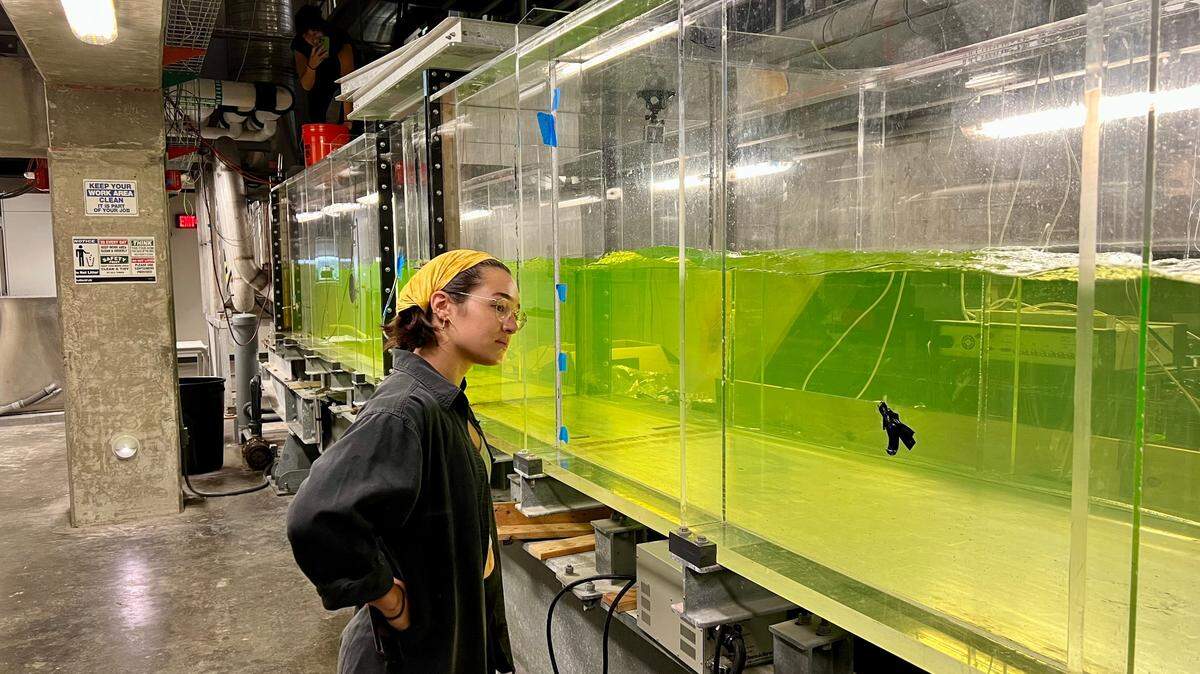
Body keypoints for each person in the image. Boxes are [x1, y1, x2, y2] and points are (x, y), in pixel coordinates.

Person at [287, 250, 523, 673]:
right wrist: (388, 599)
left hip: (445, 640)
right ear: (443, 308)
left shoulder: (445, 402)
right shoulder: (404, 409)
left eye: (516, 313)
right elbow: (315, 516)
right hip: (403, 655)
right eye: (499, 305)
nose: (510, 324)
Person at [292, 6, 355, 124]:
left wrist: (347, 120)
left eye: (316, 33)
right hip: (317, 101)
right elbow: (306, 85)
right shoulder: (300, 44)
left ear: (322, 27)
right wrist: (312, 66)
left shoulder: (338, 38)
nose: (313, 40)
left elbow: (348, 78)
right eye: (307, 36)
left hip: (343, 98)